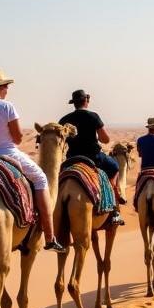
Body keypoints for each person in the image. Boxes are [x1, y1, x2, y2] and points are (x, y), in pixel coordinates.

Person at [0, 69, 67, 252]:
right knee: (41, 178)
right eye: (6, 86)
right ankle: (50, 237)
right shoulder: (7, 107)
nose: (7, 90)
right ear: (0, 88)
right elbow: (18, 138)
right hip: (7, 153)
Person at [59, 89, 126, 226]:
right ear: (86, 101)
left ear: (74, 103)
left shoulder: (64, 119)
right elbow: (105, 139)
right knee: (114, 167)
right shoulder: (93, 116)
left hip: (71, 159)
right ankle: (114, 207)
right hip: (93, 157)